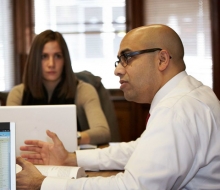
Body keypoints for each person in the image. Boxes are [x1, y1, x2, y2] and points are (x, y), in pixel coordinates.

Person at [16, 24, 220, 189]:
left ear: (162, 59)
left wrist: (42, 183)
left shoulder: (176, 110)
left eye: (127, 58)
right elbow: (138, 149)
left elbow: (130, 187)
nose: (118, 70)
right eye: (118, 61)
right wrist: (71, 158)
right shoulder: (192, 93)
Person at [6, 30, 110, 145]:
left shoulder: (84, 90)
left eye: (57, 56)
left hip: (71, 159)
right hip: (29, 158)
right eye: (44, 56)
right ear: (35, 60)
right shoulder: (18, 93)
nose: (51, 64)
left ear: (65, 60)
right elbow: (6, 136)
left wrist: (71, 138)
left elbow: (103, 132)